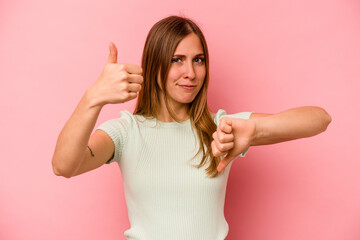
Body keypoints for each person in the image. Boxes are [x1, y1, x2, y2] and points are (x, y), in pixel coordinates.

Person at [52, 15, 332, 240]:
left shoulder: (221, 128)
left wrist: (255, 130)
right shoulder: (127, 132)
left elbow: (319, 119)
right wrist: (93, 99)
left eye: (198, 60)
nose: (191, 73)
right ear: (154, 66)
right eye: (177, 60)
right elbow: (64, 166)